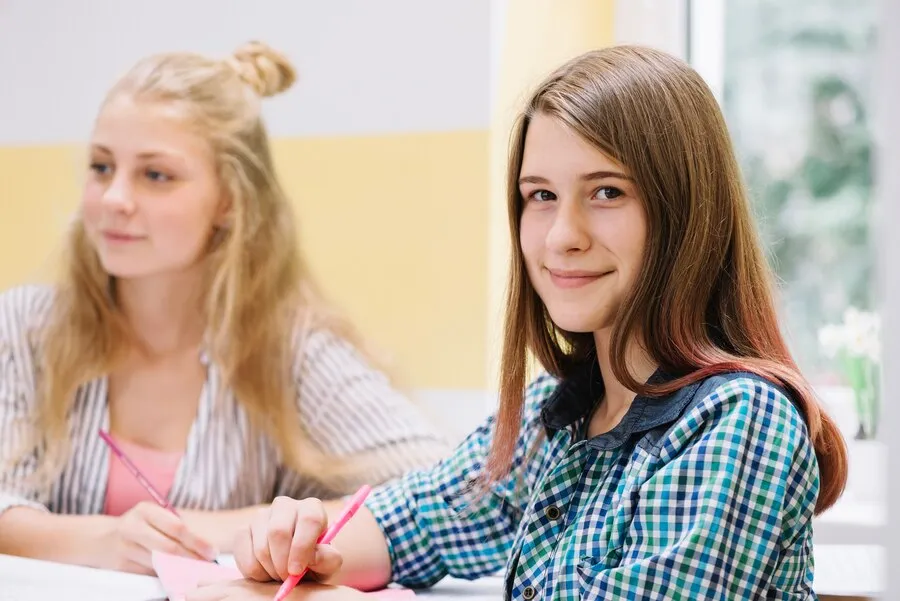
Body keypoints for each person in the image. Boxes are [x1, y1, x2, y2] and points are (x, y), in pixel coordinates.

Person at [188, 45, 850, 601]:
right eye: (541, 196)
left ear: (686, 211)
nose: (562, 235)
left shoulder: (742, 418)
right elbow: (407, 524)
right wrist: (303, 544)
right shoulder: (552, 416)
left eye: (607, 192)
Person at [0, 41, 447, 575]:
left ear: (230, 200)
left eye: (155, 175)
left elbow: (445, 493)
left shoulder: (291, 351)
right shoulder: (26, 326)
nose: (114, 198)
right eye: (101, 167)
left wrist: (232, 528)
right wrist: (100, 541)